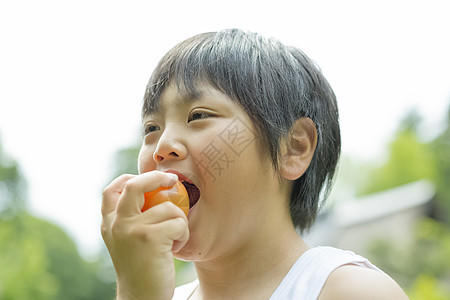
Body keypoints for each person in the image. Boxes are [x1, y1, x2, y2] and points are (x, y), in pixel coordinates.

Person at [101, 29, 409, 299]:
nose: (163, 147)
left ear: (294, 148)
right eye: (151, 128)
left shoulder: (351, 291)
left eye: (198, 116)